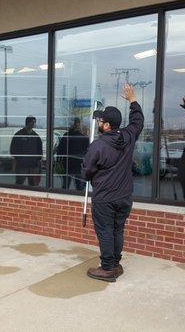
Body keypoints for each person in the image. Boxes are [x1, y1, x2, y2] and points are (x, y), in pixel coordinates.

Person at [82, 84, 144, 282]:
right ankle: (115, 264)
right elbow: (138, 120)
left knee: (106, 231)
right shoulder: (128, 136)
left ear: (107, 125)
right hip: (124, 196)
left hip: (105, 198)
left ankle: (108, 268)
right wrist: (133, 99)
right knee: (117, 229)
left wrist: (89, 174)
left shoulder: (98, 146)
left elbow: (86, 172)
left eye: (100, 120)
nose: (98, 122)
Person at [57, 117, 89, 190]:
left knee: (66, 185)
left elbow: (60, 149)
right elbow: (87, 152)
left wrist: (58, 160)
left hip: (70, 163)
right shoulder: (82, 137)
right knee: (79, 186)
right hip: (77, 164)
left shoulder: (67, 135)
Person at [9, 116, 43, 186]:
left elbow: (40, 150)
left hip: (33, 166)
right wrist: (20, 159)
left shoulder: (36, 136)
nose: (34, 124)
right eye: (33, 122)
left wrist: (37, 161)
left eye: (35, 122)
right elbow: (12, 149)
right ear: (28, 123)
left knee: (33, 185)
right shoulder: (19, 135)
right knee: (19, 183)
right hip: (22, 166)